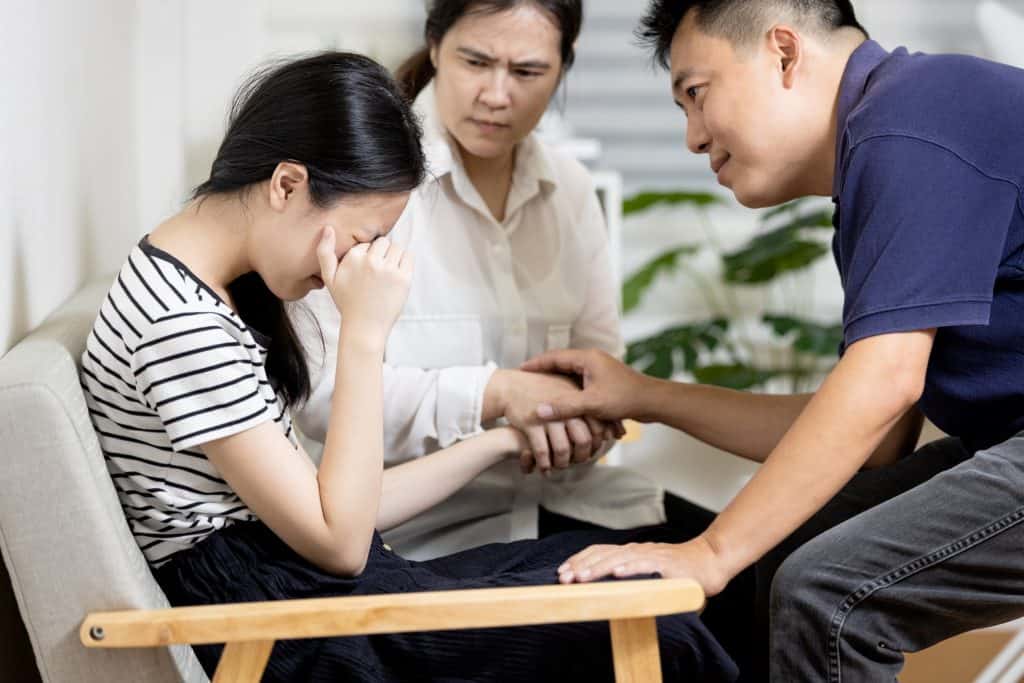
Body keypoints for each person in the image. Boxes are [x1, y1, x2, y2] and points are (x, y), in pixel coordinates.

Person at [79, 51, 737, 682]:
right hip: (285, 629)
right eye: (363, 239)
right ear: (286, 184)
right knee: (661, 628)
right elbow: (340, 541)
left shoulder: (197, 292)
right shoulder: (182, 324)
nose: (353, 265)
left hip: (303, 597)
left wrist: (503, 440)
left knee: (626, 572)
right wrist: (364, 335)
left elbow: (345, 511)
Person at [523, 1, 1024, 681]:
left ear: (784, 53)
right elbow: (877, 433)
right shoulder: (891, 145)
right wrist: (644, 395)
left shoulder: (913, 121)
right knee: (793, 542)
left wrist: (711, 551)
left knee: (826, 590)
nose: (693, 139)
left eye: (696, 95)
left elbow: (884, 384)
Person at [298, 0, 715, 560]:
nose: (497, 95)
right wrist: (496, 393)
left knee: (753, 573)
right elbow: (317, 395)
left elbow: (600, 364)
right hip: (413, 531)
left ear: (563, 69)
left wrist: (571, 416)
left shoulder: (569, 191)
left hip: (570, 501)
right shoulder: (367, 180)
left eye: (527, 72)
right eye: (475, 62)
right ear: (436, 45)